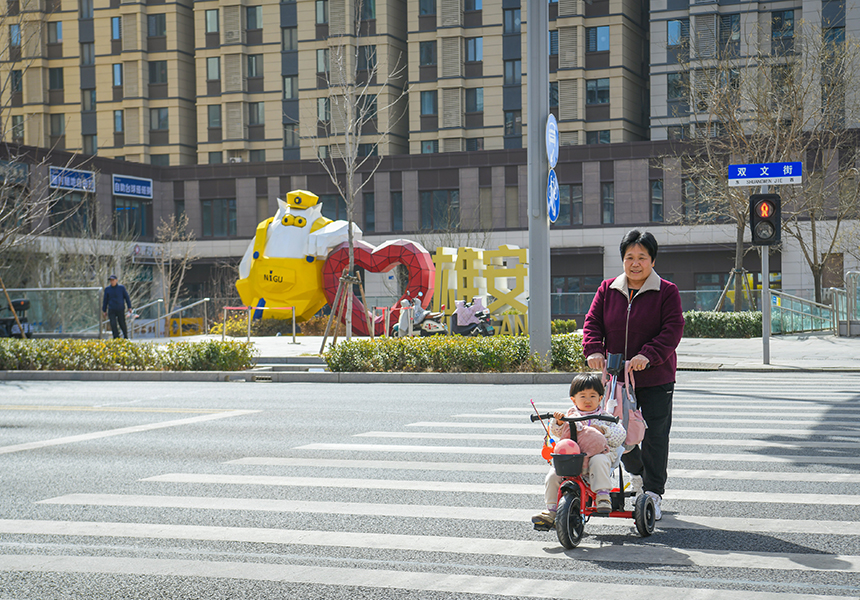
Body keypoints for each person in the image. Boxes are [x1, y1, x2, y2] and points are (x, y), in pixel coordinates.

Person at [582, 230, 684, 521]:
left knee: (654, 436)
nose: (635, 263)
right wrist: (593, 349)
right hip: (616, 379)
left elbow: (672, 330)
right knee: (616, 436)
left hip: (655, 377)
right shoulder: (607, 289)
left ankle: (652, 491)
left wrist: (648, 355)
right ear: (622, 259)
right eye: (629, 257)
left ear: (652, 260)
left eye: (642, 257)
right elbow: (593, 323)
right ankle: (638, 473)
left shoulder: (667, 291)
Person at [532, 373, 627, 528]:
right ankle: (551, 509)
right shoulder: (570, 415)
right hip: (572, 460)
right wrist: (559, 422)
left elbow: (620, 435)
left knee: (599, 460)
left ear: (600, 398)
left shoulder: (604, 416)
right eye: (582, 396)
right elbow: (557, 432)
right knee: (553, 474)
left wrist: (604, 431)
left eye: (592, 396)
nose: (588, 400)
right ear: (573, 399)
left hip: (597, 455)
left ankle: (603, 495)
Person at [102, 275, 132, 339]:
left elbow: (126, 297)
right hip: (111, 309)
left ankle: (125, 336)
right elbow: (105, 300)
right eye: (111, 280)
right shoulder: (107, 289)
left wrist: (129, 307)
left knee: (122, 323)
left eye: (113, 280)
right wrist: (104, 310)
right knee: (113, 324)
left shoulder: (121, 288)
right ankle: (116, 337)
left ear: (116, 280)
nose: (112, 282)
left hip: (120, 308)